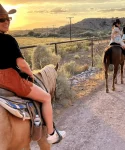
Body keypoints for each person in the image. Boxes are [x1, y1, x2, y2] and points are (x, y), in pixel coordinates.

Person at [0, 4, 66, 144]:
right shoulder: (8, 40)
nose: (6, 22)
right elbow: (21, 64)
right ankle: (51, 133)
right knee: (46, 97)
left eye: (8, 19)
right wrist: (29, 74)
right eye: (2, 19)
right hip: (11, 79)